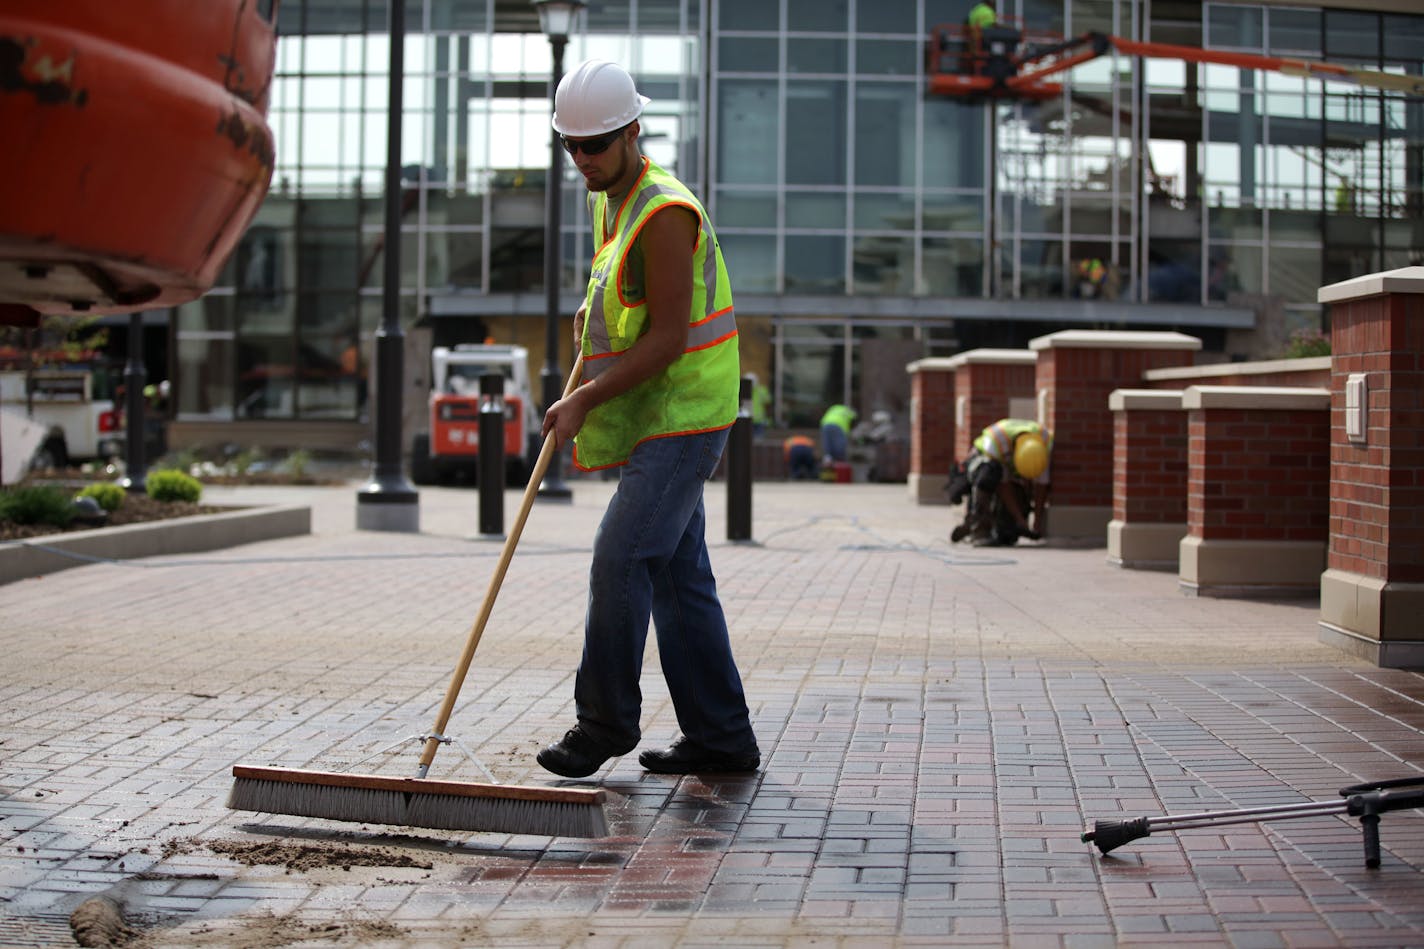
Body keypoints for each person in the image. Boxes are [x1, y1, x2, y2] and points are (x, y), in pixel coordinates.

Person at [536, 60, 760, 780]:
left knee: (622, 555)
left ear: (633, 131)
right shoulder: (615, 192)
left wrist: (581, 402)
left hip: (687, 413)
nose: (582, 160)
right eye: (570, 146)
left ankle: (602, 723)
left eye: (594, 145)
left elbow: (666, 340)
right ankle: (722, 737)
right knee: (676, 575)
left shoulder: (664, 212)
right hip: (661, 412)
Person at [950, 418, 1051, 546]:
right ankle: (979, 527)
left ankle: (1002, 526)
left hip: (1010, 463)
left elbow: (1041, 486)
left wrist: (1037, 523)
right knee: (989, 473)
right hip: (984, 462)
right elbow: (1004, 486)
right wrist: (1020, 519)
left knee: (1007, 534)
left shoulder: (1043, 446)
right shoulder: (997, 442)